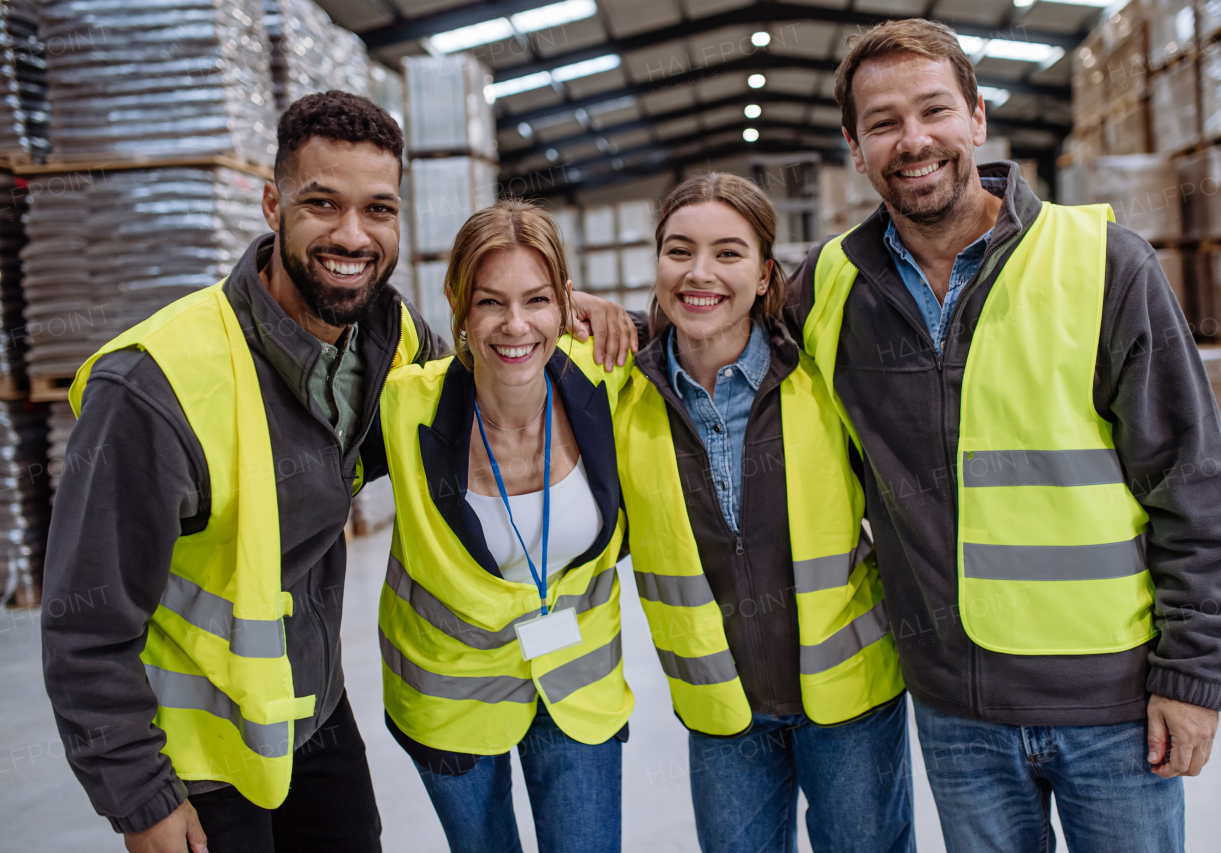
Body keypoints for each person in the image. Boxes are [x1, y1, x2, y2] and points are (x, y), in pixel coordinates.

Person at [41, 91, 635, 853]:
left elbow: (484, 367)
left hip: (315, 718)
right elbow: (82, 625)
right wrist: (141, 797)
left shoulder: (388, 343)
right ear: (271, 204)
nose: (352, 234)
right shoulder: (157, 387)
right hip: (200, 762)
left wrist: (554, 302)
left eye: (378, 209)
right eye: (322, 203)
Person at [787, 19, 1221, 853]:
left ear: (977, 119)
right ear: (855, 147)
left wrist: (1194, 675)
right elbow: (714, 339)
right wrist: (596, 317)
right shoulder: (830, 285)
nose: (913, 140)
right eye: (883, 123)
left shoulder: (1104, 262)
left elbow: (1193, 484)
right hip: (957, 711)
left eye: (934, 111)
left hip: (1114, 704)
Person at [613, 173, 912, 853]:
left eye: (728, 252)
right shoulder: (625, 396)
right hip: (723, 713)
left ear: (765, 272)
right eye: (678, 250)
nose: (700, 273)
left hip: (849, 703)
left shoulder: (820, 376)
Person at [358, 199, 634, 853]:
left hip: (578, 685)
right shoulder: (403, 408)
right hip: (451, 698)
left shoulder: (608, 379)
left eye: (536, 299)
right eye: (490, 302)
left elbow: (707, 324)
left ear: (565, 303)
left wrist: (592, 307)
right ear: (457, 301)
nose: (515, 325)